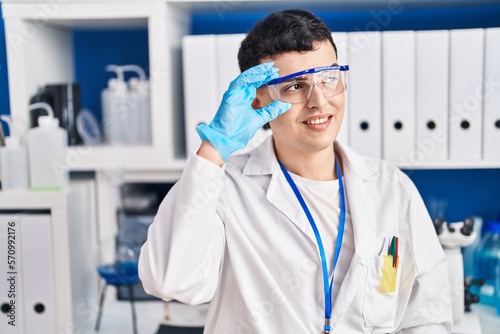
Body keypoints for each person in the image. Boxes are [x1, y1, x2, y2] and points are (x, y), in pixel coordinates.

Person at [139, 9, 453, 333]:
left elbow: (427, 315)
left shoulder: (392, 189)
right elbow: (171, 280)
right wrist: (213, 150)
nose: (318, 101)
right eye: (294, 87)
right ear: (258, 100)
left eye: (328, 77)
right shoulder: (225, 189)